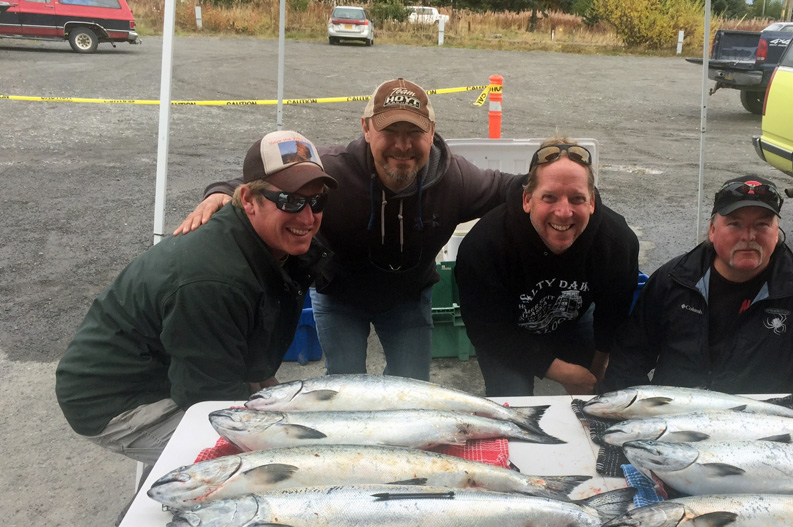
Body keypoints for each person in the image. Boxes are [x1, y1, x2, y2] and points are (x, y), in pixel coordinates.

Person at [176, 78, 520, 381]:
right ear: (366, 128)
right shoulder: (331, 169)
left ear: (431, 132)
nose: (402, 146)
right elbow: (257, 182)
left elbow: (515, 187)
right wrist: (219, 192)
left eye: (414, 132)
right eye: (390, 132)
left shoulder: (455, 179)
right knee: (344, 382)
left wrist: (563, 172)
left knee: (412, 385)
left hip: (409, 298)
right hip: (338, 296)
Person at [56, 130, 336, 466]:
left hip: (179, 367)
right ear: (247, 199)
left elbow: (244, 347)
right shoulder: (214, 281)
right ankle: (147, 513)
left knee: (279, 430)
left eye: (316, 201)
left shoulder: (268, 246)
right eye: (290, 201)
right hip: (115, 398)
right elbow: (210, 403)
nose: (307, 218)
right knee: (249, 458)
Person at [602, 175, 793, 408]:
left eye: (762, 225)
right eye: (735, 224)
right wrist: (636, 414)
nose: (748, 236)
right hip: (679, 424)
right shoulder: (673, 280)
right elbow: (628, 357)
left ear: (777, 232)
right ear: (713, 230)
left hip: (766, 428)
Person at [455, 138, 639, 396]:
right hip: (507, 331)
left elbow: (614, 314)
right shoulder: (485, 244)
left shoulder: (617, 241)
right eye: (549, 197)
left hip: (573, 320)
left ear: (592, 202)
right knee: (514, 404)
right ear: (527, 199)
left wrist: (596, 372)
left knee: (604, 396)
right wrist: (559, 370)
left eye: (577, 199)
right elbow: (486, 329)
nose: (564, 212)